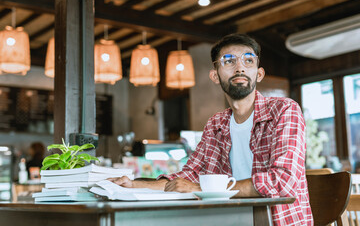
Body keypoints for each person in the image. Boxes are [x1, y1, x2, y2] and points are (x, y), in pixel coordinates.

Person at [109, 34, 313, 225]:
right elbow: (189, 176)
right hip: (230, 219)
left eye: (248, 61)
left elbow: (282, 182)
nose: (239, 68)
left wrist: (200, 189)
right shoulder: (216, 124)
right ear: (215, 76)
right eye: (229, 61)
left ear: (259, 74)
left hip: (277, 221)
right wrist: (133, 184)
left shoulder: (284, 110)